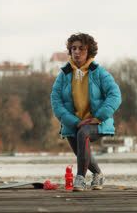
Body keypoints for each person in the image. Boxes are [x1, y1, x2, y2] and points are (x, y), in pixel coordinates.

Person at [51, 33, 121, 191]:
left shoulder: (100, 73)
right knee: (80, 151)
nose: (76, 52)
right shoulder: (63, 76)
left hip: (97, 122)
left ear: (89, 51)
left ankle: (80, 178)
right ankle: (98, 174)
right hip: (73, 124)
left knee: (83, 133)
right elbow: (56, 102)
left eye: (81, 49)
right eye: (73, 48)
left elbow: (115, 95)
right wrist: (74, 122)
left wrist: (98, 117)